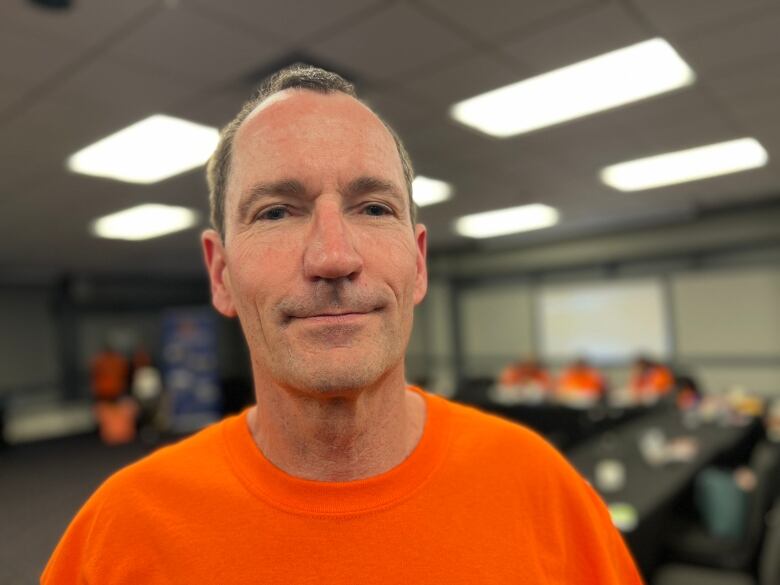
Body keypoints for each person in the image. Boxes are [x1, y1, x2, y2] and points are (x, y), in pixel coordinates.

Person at [43, 65, 641, 584]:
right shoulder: (116, 536)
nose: (333, 257)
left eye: (374, 208)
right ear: (220, 273)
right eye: (276, 211)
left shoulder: (546, 492)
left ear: (419, 262)